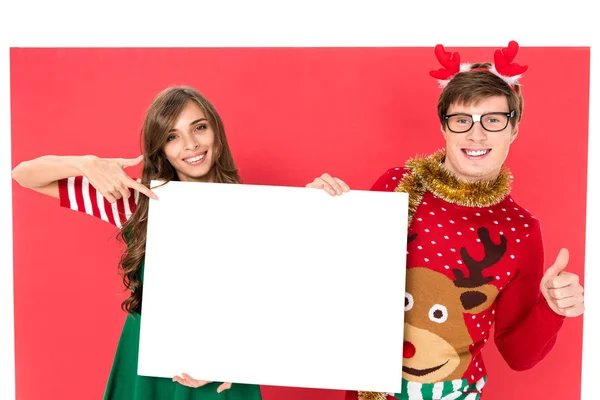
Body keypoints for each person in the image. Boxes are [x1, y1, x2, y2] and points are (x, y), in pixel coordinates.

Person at [12, 86, 334, 400]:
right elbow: (24, 174)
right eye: (172, 136)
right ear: (160, 149)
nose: (191, 145)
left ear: (216, 132)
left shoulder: (257, 210)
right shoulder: (136, 200)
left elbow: (292, 300)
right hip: (147, 371)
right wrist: (85, 163)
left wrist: (326, 205)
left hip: (224, 373)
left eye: (199, 128)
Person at [307, 41, 585, 400]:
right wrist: (315, 215)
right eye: (462, 120)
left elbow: (518, 355)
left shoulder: (521, 230)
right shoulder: (397, 186)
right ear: (445, 127)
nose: (476, 133)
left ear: (513, 129)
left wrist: (551, 309)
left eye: (494, 120)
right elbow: (337, 276)